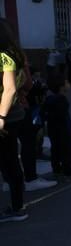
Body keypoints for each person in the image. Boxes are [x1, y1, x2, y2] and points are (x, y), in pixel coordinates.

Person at [0, 20, 29, 222]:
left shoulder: (4, 56)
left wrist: (1, 117)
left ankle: (17, 208)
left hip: (7, 117)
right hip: (14, 113)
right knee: (9, 161)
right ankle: (18, 204)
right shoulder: (14, 53)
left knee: (9, 162)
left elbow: (9, 89)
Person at [43, 74, 71, 178]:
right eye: (67, 83)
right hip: (64, 130)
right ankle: (68, 172)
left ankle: (56, 169)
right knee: (67, 151)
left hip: (53, 129)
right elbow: (63, 116)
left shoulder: (49, 99)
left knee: (55, 150)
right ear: (62, 87)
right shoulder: (62, 100)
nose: (69, 84)